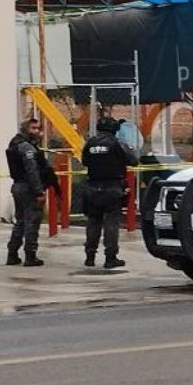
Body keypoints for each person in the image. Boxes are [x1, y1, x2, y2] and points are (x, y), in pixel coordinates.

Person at [81, 115, 136, 269]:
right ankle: (110, 257)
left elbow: (84, 161)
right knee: (112, 223)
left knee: (93, 222)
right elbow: (133, 160)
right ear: (115, 129)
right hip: (113, 188)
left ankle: (90, 256)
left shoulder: (90, 143)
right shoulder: (118, 143)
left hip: (93, 187)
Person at [6, 117, 56, 267]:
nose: (37, 132)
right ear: (25, 129)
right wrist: (39, 191)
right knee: (32, 222)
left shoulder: (14, 144)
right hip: (28, 188)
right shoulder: (26, 147)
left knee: (20, 222)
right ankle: (30, 255)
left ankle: (12, 254)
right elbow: (32, 170)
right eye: (33, 128)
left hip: (18, 187)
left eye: (38, 128)